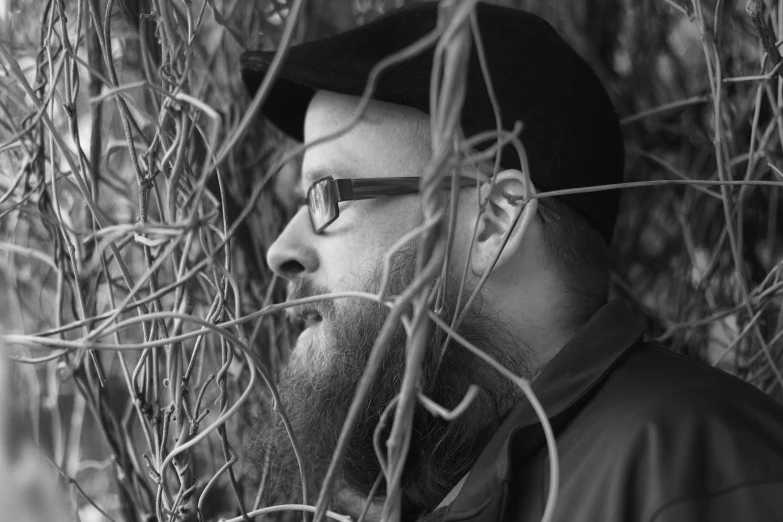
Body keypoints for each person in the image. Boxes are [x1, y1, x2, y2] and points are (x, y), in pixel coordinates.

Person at [239, 2, 783, 521]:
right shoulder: (472, 491)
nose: (280, 250)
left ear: (495, 220)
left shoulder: (689, 468)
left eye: (326, 195)